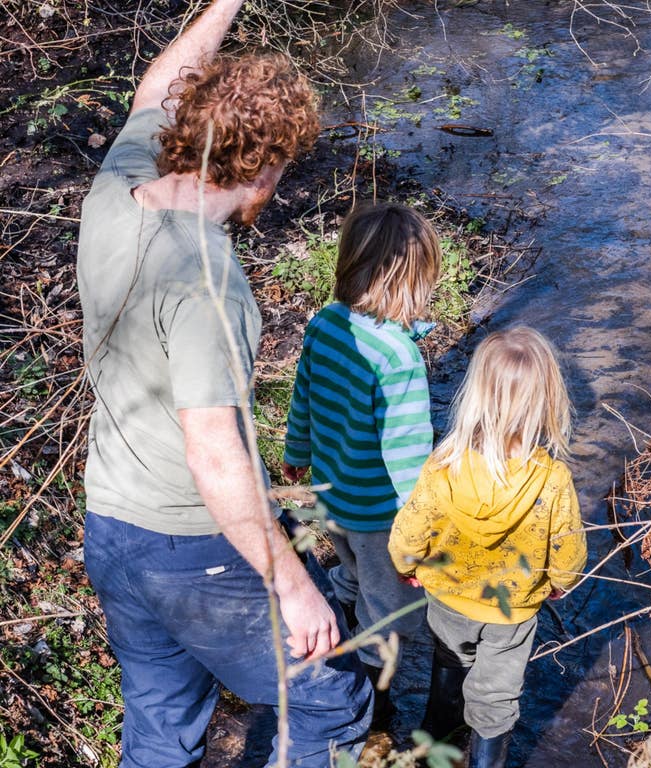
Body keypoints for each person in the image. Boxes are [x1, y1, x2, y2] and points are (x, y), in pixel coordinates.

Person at [76, 2, 372, 766]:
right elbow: (214, 455)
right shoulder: (208, 286)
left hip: (110, 526)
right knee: (329, 702)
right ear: (264, 168)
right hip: (192, 548)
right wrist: (295, 588)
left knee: (160, 718)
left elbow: (158, 87)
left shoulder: (118, 189)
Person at [388, 326, 588, 768]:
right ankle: (483, 761)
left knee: (448, 661)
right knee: (496, 694)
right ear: (546, 401)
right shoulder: (552, 479)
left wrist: (407, 565)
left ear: (476, 394)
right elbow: (569, 548)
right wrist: (559, 582)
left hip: (448, 596)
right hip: (512, 611)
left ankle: (429, 747)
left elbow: (409, 529)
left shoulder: (443, 464)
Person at [282, 202, 442, 728]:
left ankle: (343, 613)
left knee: (351, 566)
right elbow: (407, 458)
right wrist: (427, 528)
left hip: (333, 495)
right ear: (409, 281)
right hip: (379, 514)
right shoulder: (399, 361)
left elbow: (304, 395)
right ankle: (374, 698)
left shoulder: (326, 325)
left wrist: (296, 453)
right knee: (392, 608)